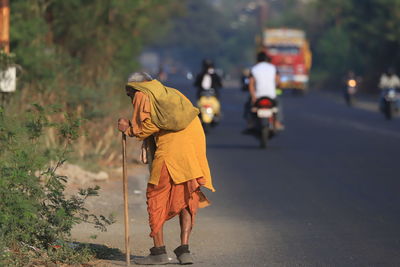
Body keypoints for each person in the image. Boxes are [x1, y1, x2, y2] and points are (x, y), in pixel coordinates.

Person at [117, 72, 215, 265]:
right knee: (188, 194)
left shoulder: (141, 94)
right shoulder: (171, 92)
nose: (130, 98)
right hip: (194, 144)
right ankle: (184, 249)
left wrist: (128, 129)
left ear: (134, 87)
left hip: (172, 150)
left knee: (156, 195)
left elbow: (148, 125)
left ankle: (159, 252)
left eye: (129, 94)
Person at [246, 52, 284, 130]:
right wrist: (277, 87)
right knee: (277, 105)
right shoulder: (273, 68)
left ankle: (250, 122)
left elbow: (251, 84)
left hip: (258, 95)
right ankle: (277, 122)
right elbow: (278, 81)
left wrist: (253, 97)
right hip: (271, 95)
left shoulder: (254, 69)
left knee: (249, 106)